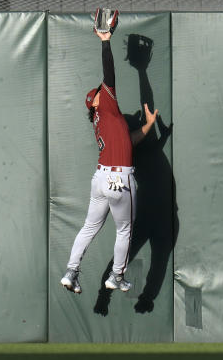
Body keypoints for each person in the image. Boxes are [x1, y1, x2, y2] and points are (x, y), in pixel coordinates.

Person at [61, 28, 158, 294]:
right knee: (125, 230)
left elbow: (129, 141)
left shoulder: (105, 123)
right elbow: (109, 73)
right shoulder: (107, 106)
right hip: (119, 178)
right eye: (101, 92)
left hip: (101, 179)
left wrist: (148, 127)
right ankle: (116, 276)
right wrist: (106, 42)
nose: (105, 91)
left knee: (89, 227)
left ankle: (72, 271)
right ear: (97, 103)